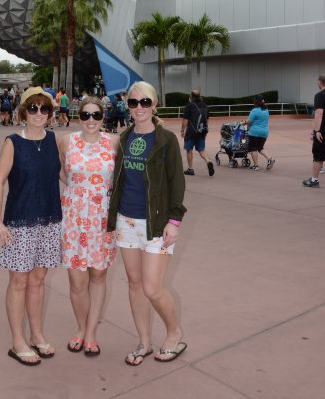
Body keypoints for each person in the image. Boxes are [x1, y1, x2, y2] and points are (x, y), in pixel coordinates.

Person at [107, 81, 187, 366]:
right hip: (126, 221)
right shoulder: (125, 136)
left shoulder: (166, 140)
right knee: (134, 283)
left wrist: (174, 221)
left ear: (154, 105)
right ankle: (143, 341)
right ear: (127, 106)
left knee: (152, 288)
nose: (138, 108)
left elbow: (177, 183)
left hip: (156, 224)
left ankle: (174, 332)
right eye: (133, 102)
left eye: (144, 102)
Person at [0, 87, 62, 366]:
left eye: (44, 109)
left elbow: (64, 175)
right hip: (20, 221)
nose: (38, 114)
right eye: (32, 108)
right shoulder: (12, 142)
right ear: (23, 112)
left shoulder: (54, 140)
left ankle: (36, 334)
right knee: (19, 281)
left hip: (49, 220)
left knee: (38, 280)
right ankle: (17, 341)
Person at [59, 96, 119, 356]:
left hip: (102, 219)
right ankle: (81, 327)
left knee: (98, 276)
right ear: (78, 116)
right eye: (85, 115)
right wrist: (76, 190)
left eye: (96, 115)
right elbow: (61, 172)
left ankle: (91, 333)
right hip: (73, 219)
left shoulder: (114, 142)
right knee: (76, 281)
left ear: (103, 118)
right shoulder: (66, 141)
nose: (91, 120)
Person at [181, 90, 214, 176]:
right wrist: (206, 130)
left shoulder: (189, 106)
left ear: (191, 96)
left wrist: (182, 130)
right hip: (202, 130)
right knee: (201, 149)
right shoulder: (204, 105)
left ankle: (190, 169)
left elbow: (185, 120)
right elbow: (207, 120)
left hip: (191, 132)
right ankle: (208, 161)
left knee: (189, 149)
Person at [303, 74, 325, 187]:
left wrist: (316, 131)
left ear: (320, 82)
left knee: (318, 156)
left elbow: (319, 113)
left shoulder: (320, 95)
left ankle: (314, 180)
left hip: (323, 131)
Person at [246, 95, 275, 171]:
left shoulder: (255, 110)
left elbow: (249, 121)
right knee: (260, 148)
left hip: (254, 132)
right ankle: (270, 159)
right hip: (264, 132)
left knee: (253, 148)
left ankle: (256, 165)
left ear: (255, 102)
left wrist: (245, 122)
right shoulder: (266, 110)